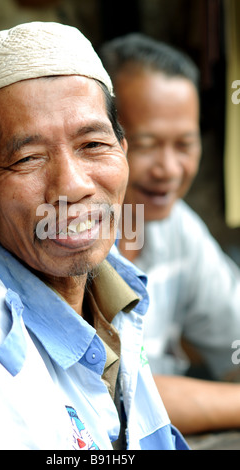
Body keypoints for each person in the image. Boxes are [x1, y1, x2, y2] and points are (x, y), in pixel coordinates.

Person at [0, 22, 188, 450]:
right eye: (29, 157)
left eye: (93, 145)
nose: (73, 186)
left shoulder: (117, 291)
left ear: (123, 151)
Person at [100, 33, 240, 435]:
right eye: (146, 144)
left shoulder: (177, 227)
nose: (169, 169)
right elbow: (117, 395)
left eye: (184, 144)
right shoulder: (69, 243)